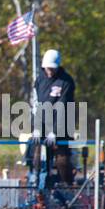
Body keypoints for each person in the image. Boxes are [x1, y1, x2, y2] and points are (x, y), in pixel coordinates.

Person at [30, 49, 78, 186]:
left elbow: (62, 106)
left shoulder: (66, 81)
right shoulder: (39, 80)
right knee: (38, 158)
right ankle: (37, 186)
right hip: (43, 123)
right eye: (47, 68)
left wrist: (55, 132)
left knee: (62, 161)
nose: (49, 71)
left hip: (62, 124)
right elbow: (37, 104)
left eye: (52, 68)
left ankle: (67, 186)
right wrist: (37, 128)